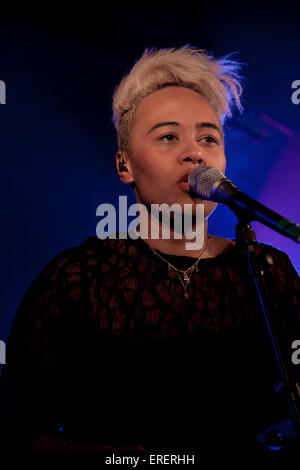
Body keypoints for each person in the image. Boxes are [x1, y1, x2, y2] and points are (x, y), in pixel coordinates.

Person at [0, 45, 299, 455]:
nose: (194, 152)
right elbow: (21, 428)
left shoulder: (268, 270)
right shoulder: (78, 278)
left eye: (208, 137)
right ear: (125, 166)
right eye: (168, 136)